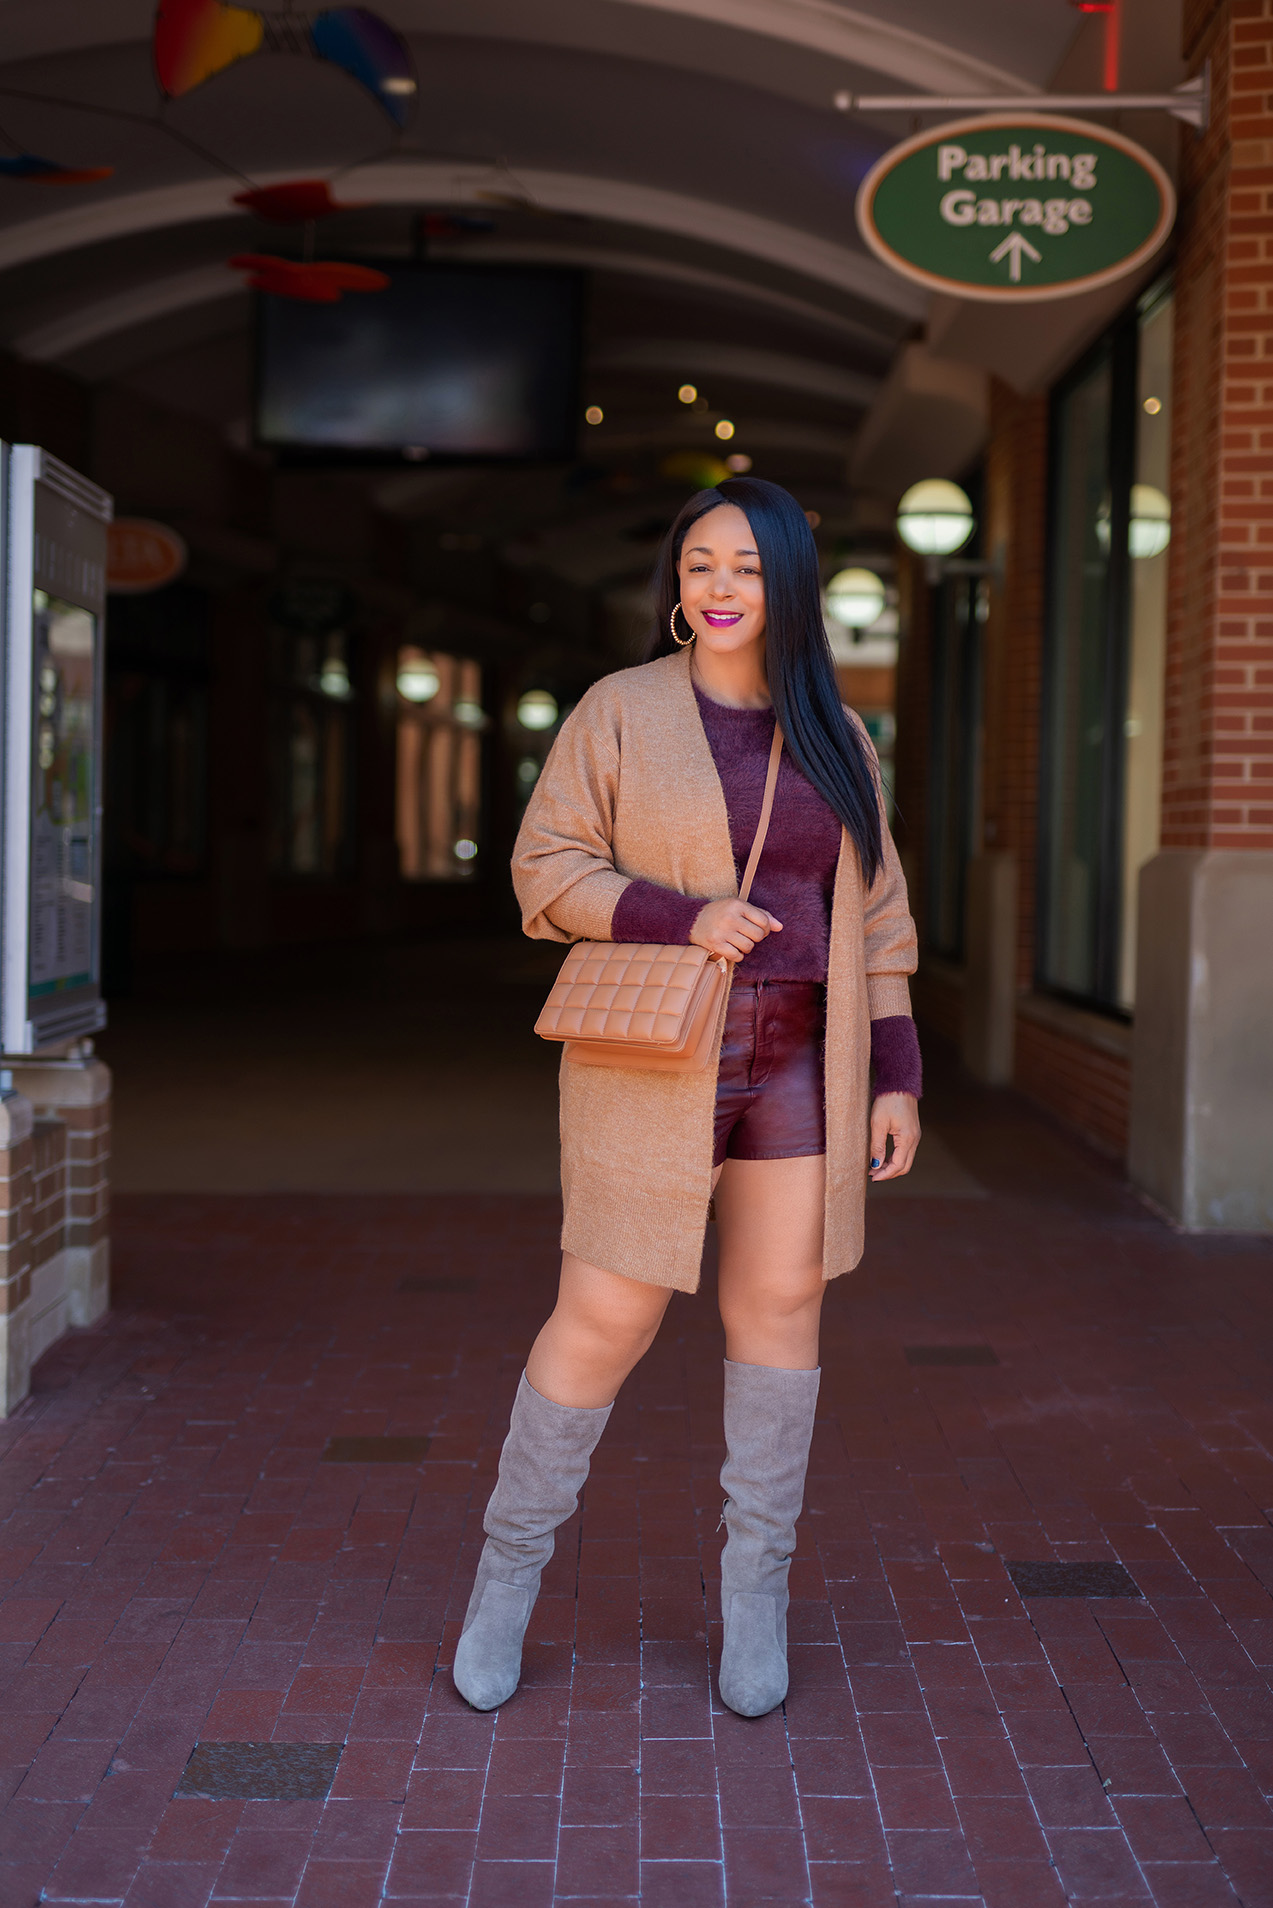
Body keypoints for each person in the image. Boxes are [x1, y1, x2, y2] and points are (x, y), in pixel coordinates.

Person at [453, 476, 921, 1719]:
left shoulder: (838, 729)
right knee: (603, 1316)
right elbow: (542, 869)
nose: (718, 588)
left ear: (789, 588)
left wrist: (897, 1070)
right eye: (700, 564)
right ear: (676, 583)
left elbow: (876, 911)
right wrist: (681, 914)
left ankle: (754, 1599)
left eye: (747, 568)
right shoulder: (618, 711)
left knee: (778, 1309)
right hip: (651, 1050)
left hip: (803, 1053)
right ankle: (506, 1579)